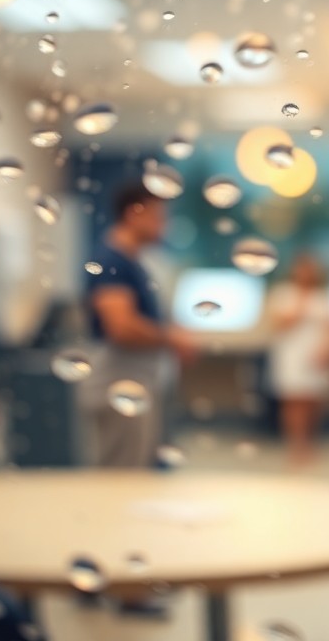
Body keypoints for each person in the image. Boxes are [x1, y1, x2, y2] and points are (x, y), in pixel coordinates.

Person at [83, 182, 197, 470]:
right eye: (159, 216)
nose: (164, 225)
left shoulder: (134, 262)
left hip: (136, 382)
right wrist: (172, 338)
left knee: (136, 469)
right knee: (122, 475)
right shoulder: (112, 261)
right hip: (120, 384)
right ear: (135, 214)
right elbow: (120, 327)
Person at [268, 253, 329, 468]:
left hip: (316, 355)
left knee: (313, 400)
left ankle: (310, 444)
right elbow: (278, 323)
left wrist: (328, 349)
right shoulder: (283, 294)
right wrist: (301, 302)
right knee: (293, 400)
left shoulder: (324, 296)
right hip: (292, 355)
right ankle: (295, 446)